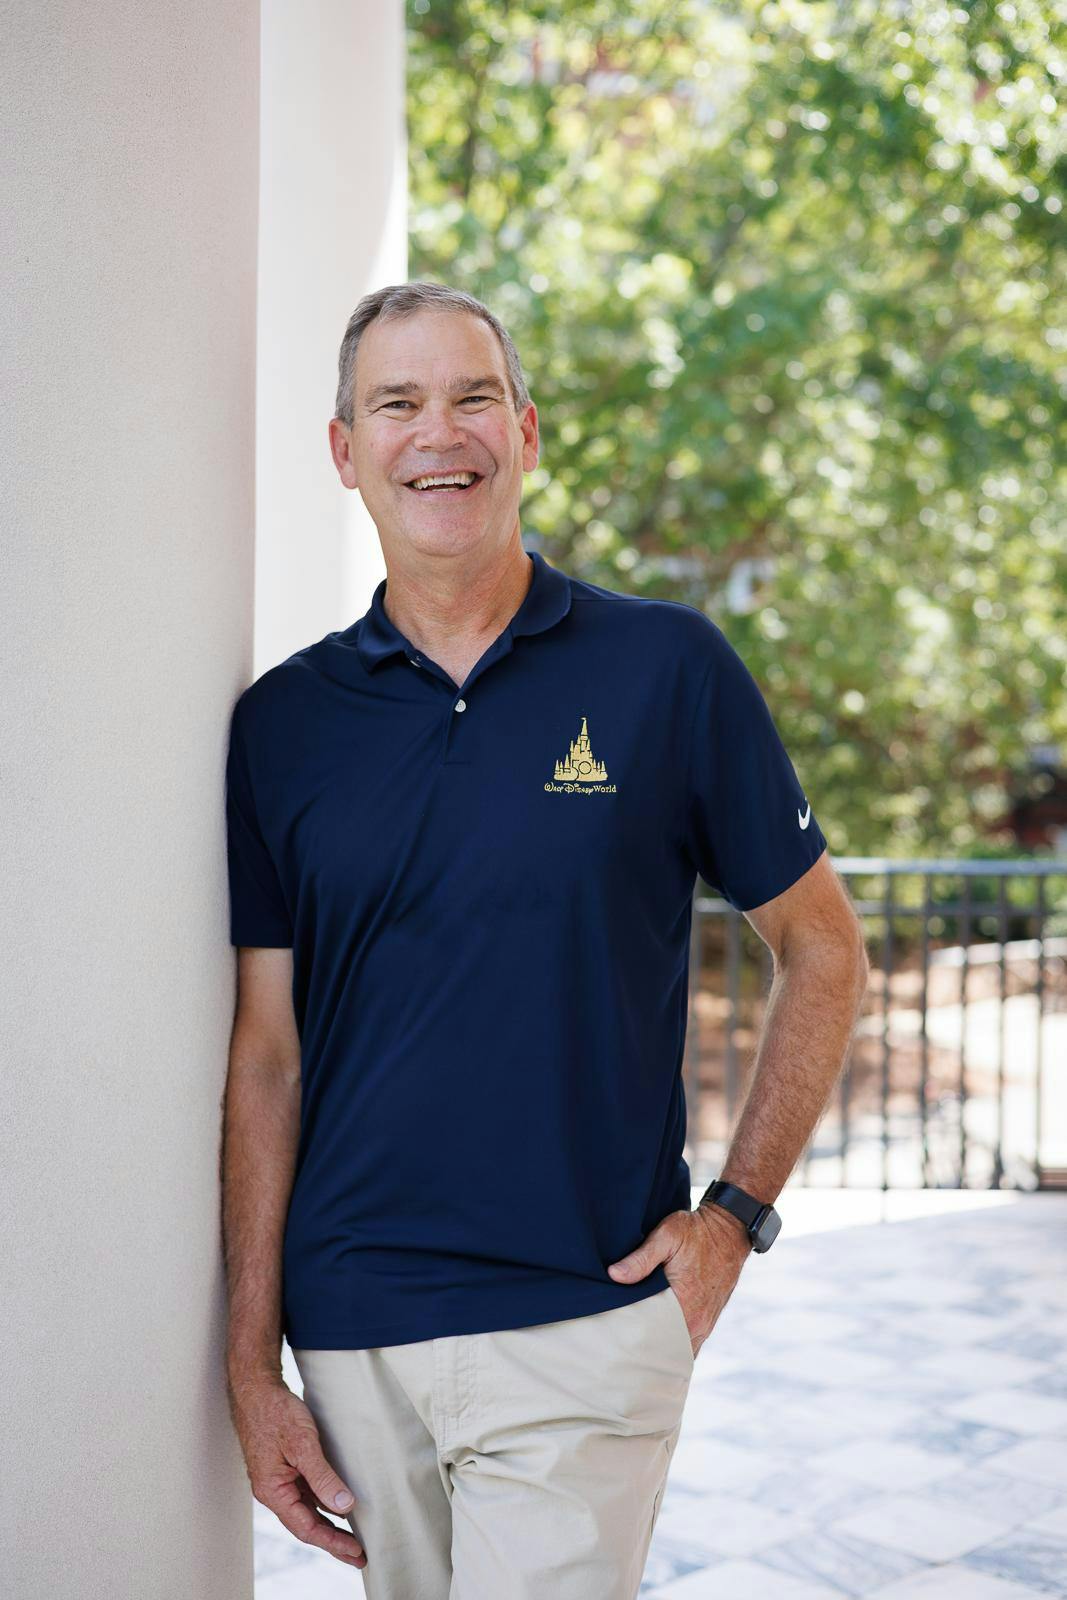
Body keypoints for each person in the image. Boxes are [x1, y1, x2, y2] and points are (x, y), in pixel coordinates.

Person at [221, 280, 869, 1599]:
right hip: (353, 1332)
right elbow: (268, 1055)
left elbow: (825, 950)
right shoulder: (281, 723)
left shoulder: (665, 671)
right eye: (395, 404)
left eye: (471, 399)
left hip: (585, 1317)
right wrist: (249, 1364)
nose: (437, 434)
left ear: (527, 431)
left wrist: (736, 1219)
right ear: (346, 451)